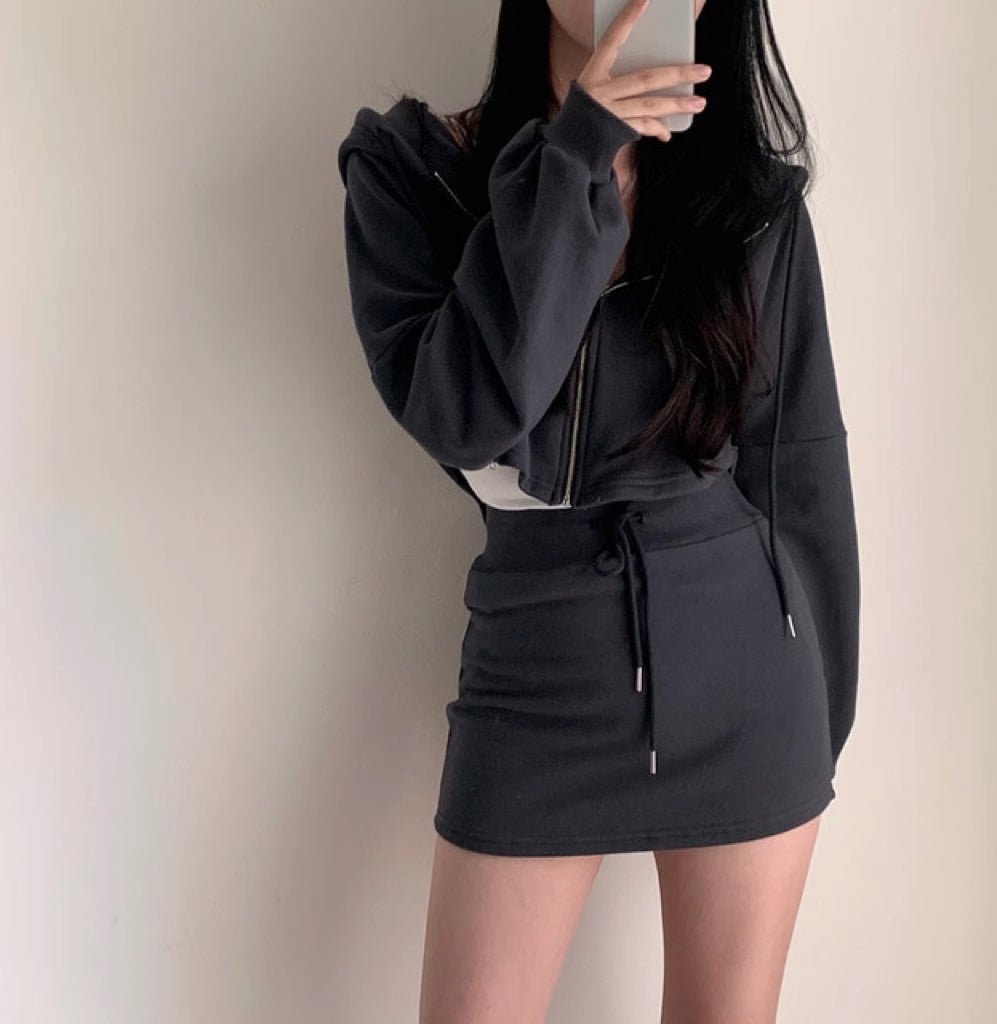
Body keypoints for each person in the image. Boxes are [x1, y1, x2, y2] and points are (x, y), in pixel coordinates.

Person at [335, 0, 860, 1020]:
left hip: (749, 678)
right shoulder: (414, 171)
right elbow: (467, 416)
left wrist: (816, 725)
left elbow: (798, 466)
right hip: (536, 670)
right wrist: (577, 153)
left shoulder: (751, 205)